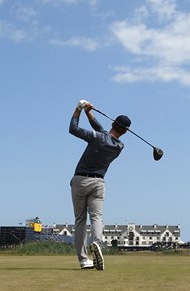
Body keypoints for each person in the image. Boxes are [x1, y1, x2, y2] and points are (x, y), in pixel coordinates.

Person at [69, 99, 130, 271]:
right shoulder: (119, 146)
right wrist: (89, 113)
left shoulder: (98, 137)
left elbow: (73, 129)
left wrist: (78, 109)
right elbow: (102, 131)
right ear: (125, 131)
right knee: (96, 217)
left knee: (80, 220)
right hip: (99, 183)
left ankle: (83, 259)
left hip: (81, 180)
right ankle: (96, 244)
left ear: (113, 123)